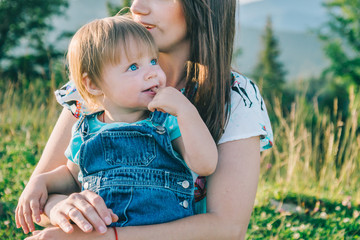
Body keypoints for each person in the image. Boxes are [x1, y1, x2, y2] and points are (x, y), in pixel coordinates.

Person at [17, 0, 273, 239]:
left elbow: (228, 229)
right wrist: (60, 206)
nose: (137, 6)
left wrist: (109, 237)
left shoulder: (234, 96)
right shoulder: (99, 79)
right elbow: (38, 200)